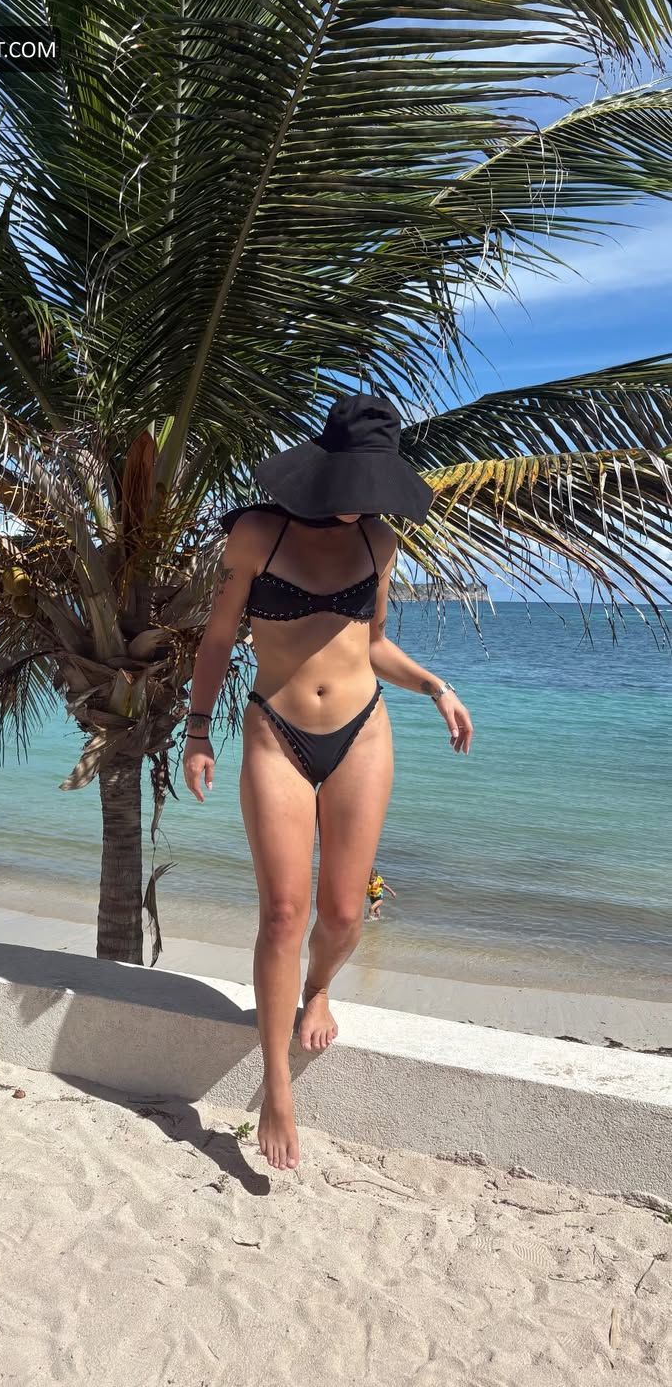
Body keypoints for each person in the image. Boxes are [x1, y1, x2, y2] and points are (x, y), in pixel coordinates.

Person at [182, 393, 474, 1172]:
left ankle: (319, 988)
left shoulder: (379, 541)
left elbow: (372, 644)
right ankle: (277, 1086)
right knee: (284, 911)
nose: (365, 498)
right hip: (274, 729)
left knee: (343, 912)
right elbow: (218, 639)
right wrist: (198, 730)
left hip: (363, 732)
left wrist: (436, 687)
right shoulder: (257, 533)